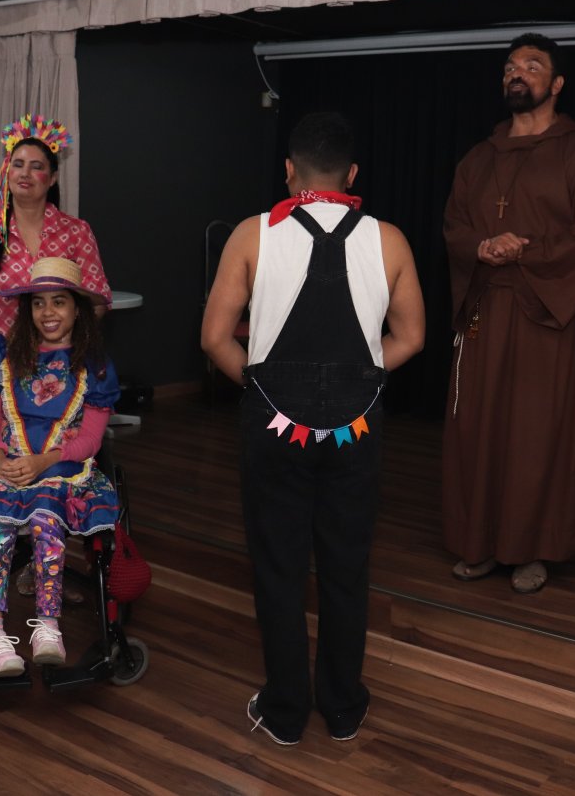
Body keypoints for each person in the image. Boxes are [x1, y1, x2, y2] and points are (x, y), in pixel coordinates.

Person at [202, 112, 425, 745]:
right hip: (359, 427)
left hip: (273, 425)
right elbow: (412, 337)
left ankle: (285, 712)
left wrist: (264, 391)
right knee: (346, 565)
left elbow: (214, 339)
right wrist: (362, 381)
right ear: (352, 175)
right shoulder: (390, 240)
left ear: (288, 170)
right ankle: (344, 706)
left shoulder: (251, 234)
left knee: (278, 566)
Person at [441, 33, 575, 595]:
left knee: (537, 434)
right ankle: (479, 544)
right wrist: (481, 247)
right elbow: (454, 227)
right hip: (484, 311)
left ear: (557, 83)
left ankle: (533, 549)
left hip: (546, 315)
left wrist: (524, 252)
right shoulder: (477, 159)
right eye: (510, 66)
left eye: (532, 65)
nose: (516, 73)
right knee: (478, 428)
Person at [0, 257, 121, 677]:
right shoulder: (3, 356)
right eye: (38, 303)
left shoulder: (94, 366)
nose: (48, 312)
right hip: (7, 466)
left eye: (59, 302)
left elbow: (92, 439)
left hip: (61, 469)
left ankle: (47, 627)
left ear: (77, 309)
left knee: (46, 519)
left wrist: (45, 461)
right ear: (28, 310)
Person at [0, 113, 112, 447]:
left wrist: (69, 336)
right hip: (1, 362)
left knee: (55, 444)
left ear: (52, 178)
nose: (25, 173)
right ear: (6, 171)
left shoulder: (76, 232)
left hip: (60, 364)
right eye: (18, 164)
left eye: (36, 166)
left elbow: (96, 298)